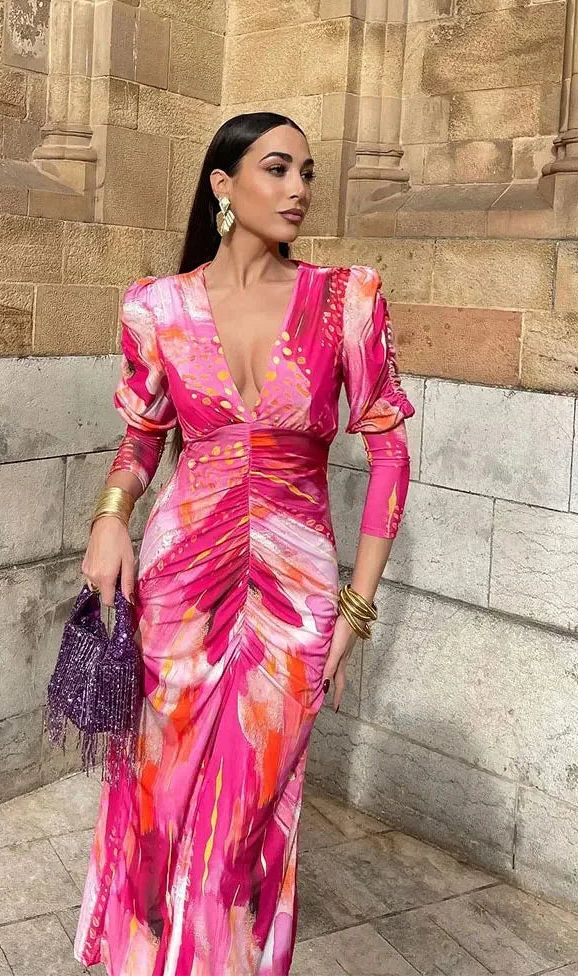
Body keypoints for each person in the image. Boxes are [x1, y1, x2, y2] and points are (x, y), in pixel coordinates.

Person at [73, 111, 414, 976]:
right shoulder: (157, 305)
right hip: (179, 580)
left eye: (308, 172)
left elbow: (390, 452)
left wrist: (356, 608)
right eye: (278, 168)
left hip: (296, 595)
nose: (299, 189)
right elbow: (142, 437)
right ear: (223, 185)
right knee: (157, 793)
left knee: (253, 811)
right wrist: (110, 516)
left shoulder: (349, 299)